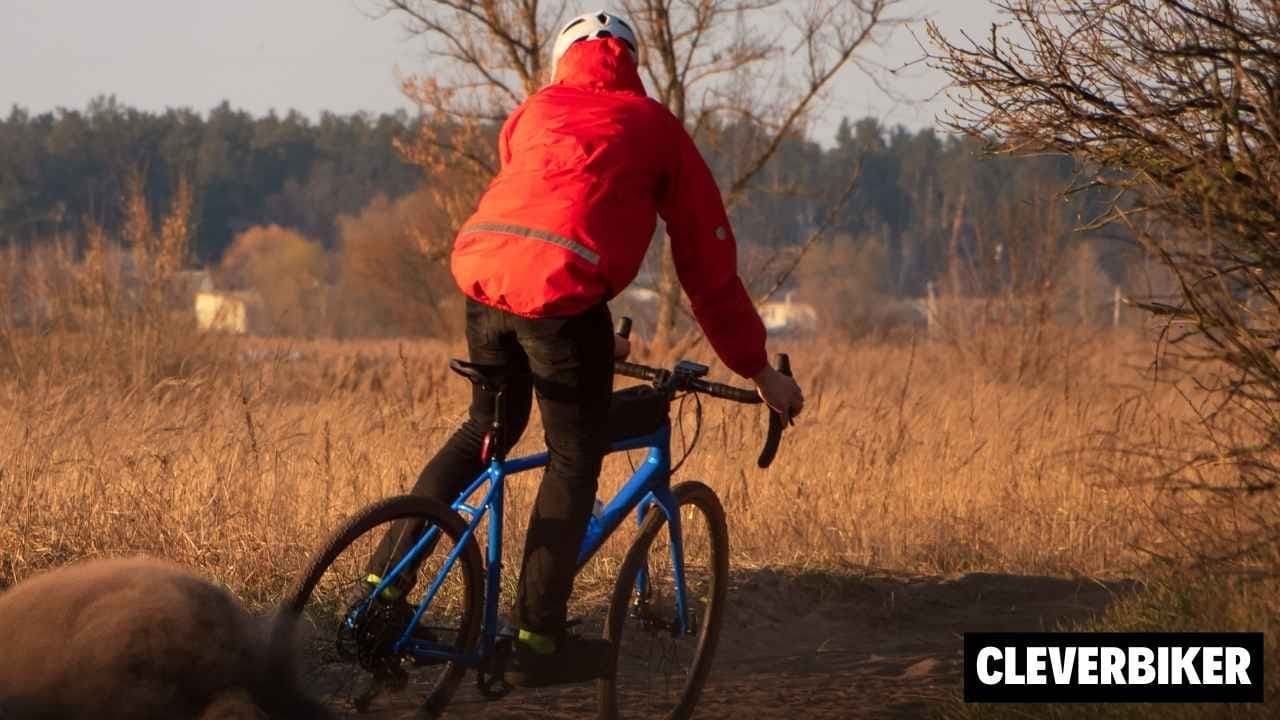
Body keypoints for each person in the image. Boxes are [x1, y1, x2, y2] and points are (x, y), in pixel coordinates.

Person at [366, 10, 804, 688]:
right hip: (563, 303)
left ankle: (380, 598)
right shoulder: (655, 127)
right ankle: (539, 641)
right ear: (633, 60)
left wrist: (599, 328)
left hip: (484, 286)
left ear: (563, 61)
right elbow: (707, 268)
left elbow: (548, 210)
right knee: (575, 454)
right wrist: (755, 368)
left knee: (485, 431)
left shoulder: (534, 111)